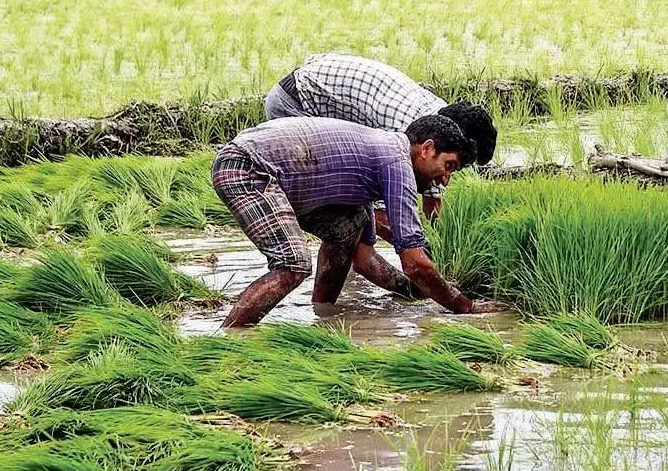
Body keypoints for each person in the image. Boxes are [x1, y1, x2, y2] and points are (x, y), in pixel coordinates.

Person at [212, 114, 499, 327]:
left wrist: (413, 291)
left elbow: (363, 259)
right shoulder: (396, 164)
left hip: (277, 174)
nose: (445, 180)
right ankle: (231, 336)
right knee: (293, 263)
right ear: (426, 149)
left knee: (350, 225)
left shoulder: (377, 159)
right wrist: (465, 306)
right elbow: (415, 264)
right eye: (448, 166)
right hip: (247, 167)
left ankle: (323, 313)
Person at [265, 53, 497, 225]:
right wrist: (422, 254)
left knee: (353, 218)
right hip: (296, 103)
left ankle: (351, 265)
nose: (447, 179)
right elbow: (380, 211)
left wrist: (442, 239)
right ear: (431, 146)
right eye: (454, 164)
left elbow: (432, 191)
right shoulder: (403, 131)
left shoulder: (442, 120)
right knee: (344, 212)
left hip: (326, 91)